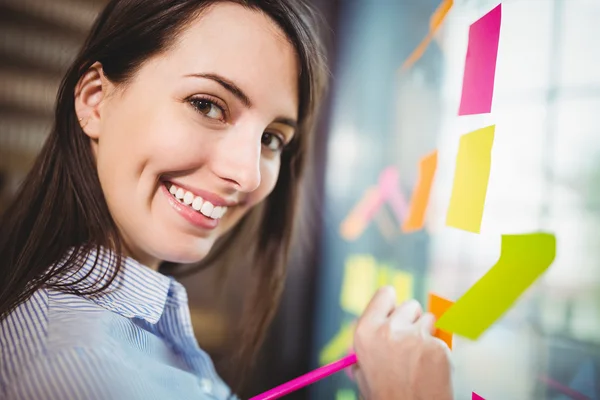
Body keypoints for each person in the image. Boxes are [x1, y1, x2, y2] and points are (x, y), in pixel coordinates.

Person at [0, 0, 453, 399]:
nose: (247, 174)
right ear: (95, 100)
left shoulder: (127, 333)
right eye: (207, 105)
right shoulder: (81, 371)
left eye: (273, 138)